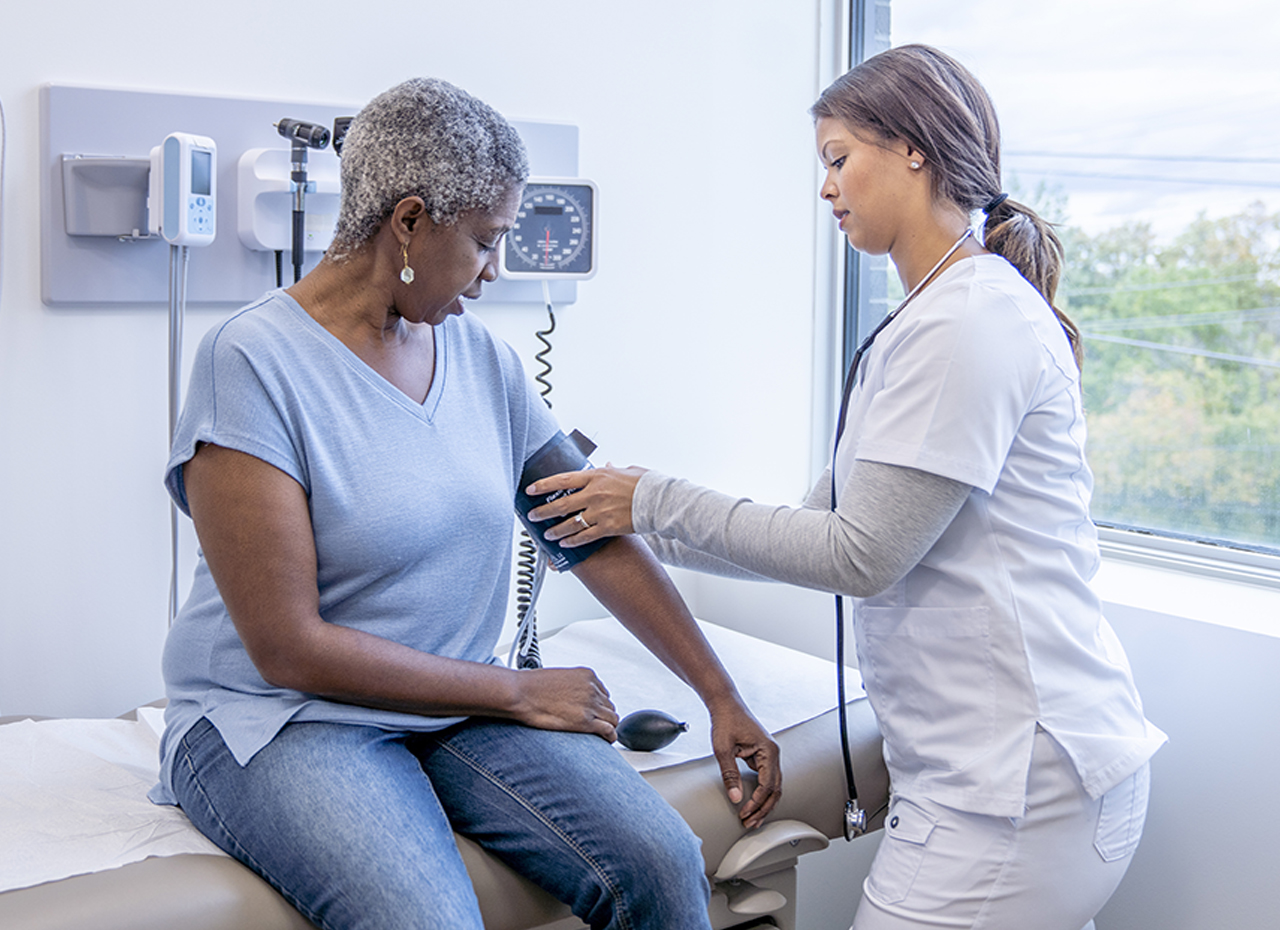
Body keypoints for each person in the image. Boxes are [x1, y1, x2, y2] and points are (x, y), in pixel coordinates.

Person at [526, 45, 1167, 930]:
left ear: (915, 149)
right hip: (1016, 781)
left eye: (838, 158)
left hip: (1018, 795)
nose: (826, 188)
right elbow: (815, 530)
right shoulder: (932, 319)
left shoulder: (968, 323)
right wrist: (613, 520)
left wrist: (651, 499)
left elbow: (861, 557)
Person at [148, 77, 780, 930]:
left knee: (664, 865)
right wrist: (515, 691)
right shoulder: (251, 363)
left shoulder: (483, 361)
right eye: (485, 242)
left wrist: (718, 695)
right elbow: (286, 648)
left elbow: (588, 532)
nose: (492, 275)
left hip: (453, 708)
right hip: (281, 719)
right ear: (409, 222)